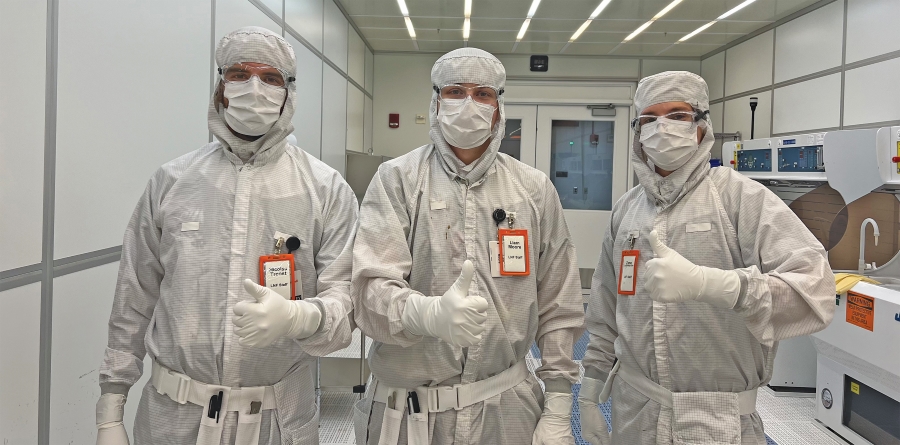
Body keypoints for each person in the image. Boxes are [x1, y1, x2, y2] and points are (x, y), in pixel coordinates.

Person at [95, 26, 358, 445]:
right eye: (239, 74)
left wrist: (302, 317)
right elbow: (133, 299)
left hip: (275, 421)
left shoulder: (325, 189)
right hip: (173, 419)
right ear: (220, 87)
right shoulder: (173, 181)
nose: (255, 88)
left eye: (271, 78)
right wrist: (110, 409)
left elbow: (345, 306)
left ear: (289, 93)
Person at [578, 71, 835, 445]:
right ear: (637, 132)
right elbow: (605, 310)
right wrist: (590, 391)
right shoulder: (627, 211)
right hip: (634, 413)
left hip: (718, 422)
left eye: (678, 116)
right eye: (649, 119)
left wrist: (721, 286)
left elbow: (817, 291)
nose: (662, 128)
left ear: (701, 125)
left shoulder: (742, 199)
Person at [351, 48, 584, 445]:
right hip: (407, 414)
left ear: (498, 107)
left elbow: (559, 301)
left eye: (483, 94)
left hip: (505, 408)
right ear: (436, 101)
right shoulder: (397, 179)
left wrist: (560, 403)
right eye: (456, 91)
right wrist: (426, 314)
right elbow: (369, 291)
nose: (469, 104)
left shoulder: (532, 188)